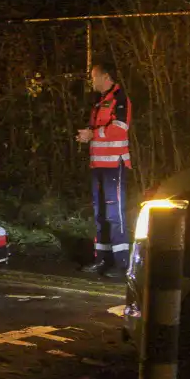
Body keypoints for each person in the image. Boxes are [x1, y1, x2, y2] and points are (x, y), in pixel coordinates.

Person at [77, 61, 132, 279]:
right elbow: (96, 128)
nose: (91, 81)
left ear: (105, 77)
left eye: (93, 77)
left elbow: (119, 130)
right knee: (100, 214)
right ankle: (101, 258)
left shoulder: (121, 99)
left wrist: (92, 135)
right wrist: (86, 134)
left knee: (114, 214)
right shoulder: (100, 101)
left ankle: (121, 263)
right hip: (98, 165)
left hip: (113, 166)